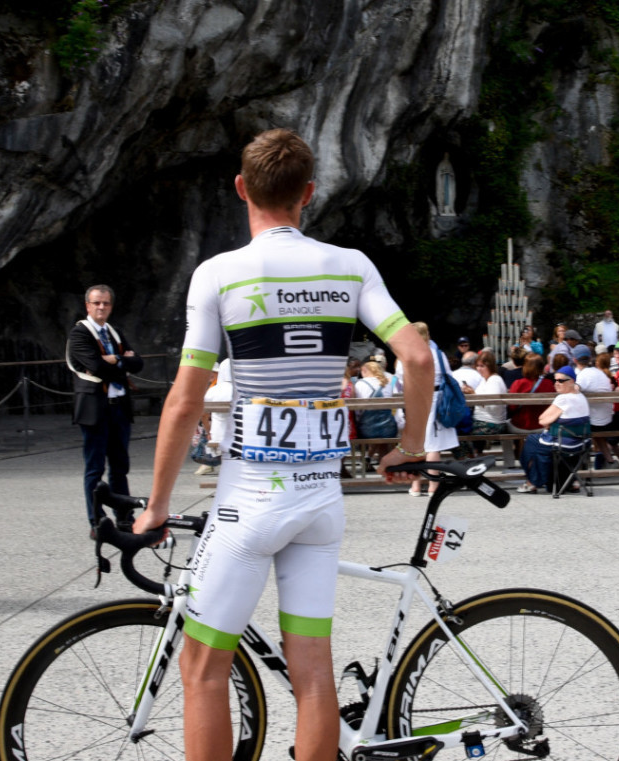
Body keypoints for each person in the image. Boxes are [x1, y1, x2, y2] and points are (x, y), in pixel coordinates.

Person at [131, 128, 434, 761]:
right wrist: (407, 445)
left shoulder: (220, 275)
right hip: (321, 501)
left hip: (250, 502)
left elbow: (186, 399)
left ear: (242, 189)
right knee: (312, 673)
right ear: (309, 194)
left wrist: (157, 506)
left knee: (202, 669)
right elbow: (415, 355)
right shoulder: (350, 266)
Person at [67, 284, 144, 534]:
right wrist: (123, 361)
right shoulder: (80, 334)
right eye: (97, 303)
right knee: (95, 467)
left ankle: (124, 517)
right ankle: (97, 520)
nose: (101, 307)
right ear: (87, 305)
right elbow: (95, 367)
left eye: (106, 303)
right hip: (95, 408)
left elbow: (138, 363)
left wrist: (117, 360)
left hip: (118, 408)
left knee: (120, 466)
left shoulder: (114, 331)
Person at [396, 322, 458, 497]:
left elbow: (400, 378)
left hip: (415, 399)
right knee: (433, 446)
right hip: (436, 398)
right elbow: (449, 376)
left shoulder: (406, 354)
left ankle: (416, 486)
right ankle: (433, 487)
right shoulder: (437, 354)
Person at [516, 365, 591, 493]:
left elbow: (542, 420)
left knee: (531, 442)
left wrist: (552, 422)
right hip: (582, 443)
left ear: (571, 381)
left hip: (564, 443)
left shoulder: (563, 398)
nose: (556, 383)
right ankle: (570, 481)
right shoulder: (581, 397)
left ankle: (532, 481)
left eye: (561, 380)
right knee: (541, 446)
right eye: (555, 380)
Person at [573, 344, 615, 466]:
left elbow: (575, 390)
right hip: (607, 418)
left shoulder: (583, 375)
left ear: (574, 360)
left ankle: (580, 463)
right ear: (590, 358)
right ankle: (610, 460)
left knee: (568, 424)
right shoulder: (598, 372)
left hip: (596, 422)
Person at [468, 350, 508, 455]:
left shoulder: (494, 380)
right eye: (477, 366)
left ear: (490, 366)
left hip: (492, 423)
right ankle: (474, 457)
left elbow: (492, 406)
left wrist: (473, 395)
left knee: (460, 431)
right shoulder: (485, 379)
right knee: (460, 427)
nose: (479, 369)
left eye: (482, 366)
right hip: (483, 420)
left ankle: (470, 459)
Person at [507, 353, 556, 434]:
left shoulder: (518, 383)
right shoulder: (549, 384)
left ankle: (518, 446)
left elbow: (512, 407)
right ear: (541, 367)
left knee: (508, 423)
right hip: (542, 425)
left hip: (520, 425)